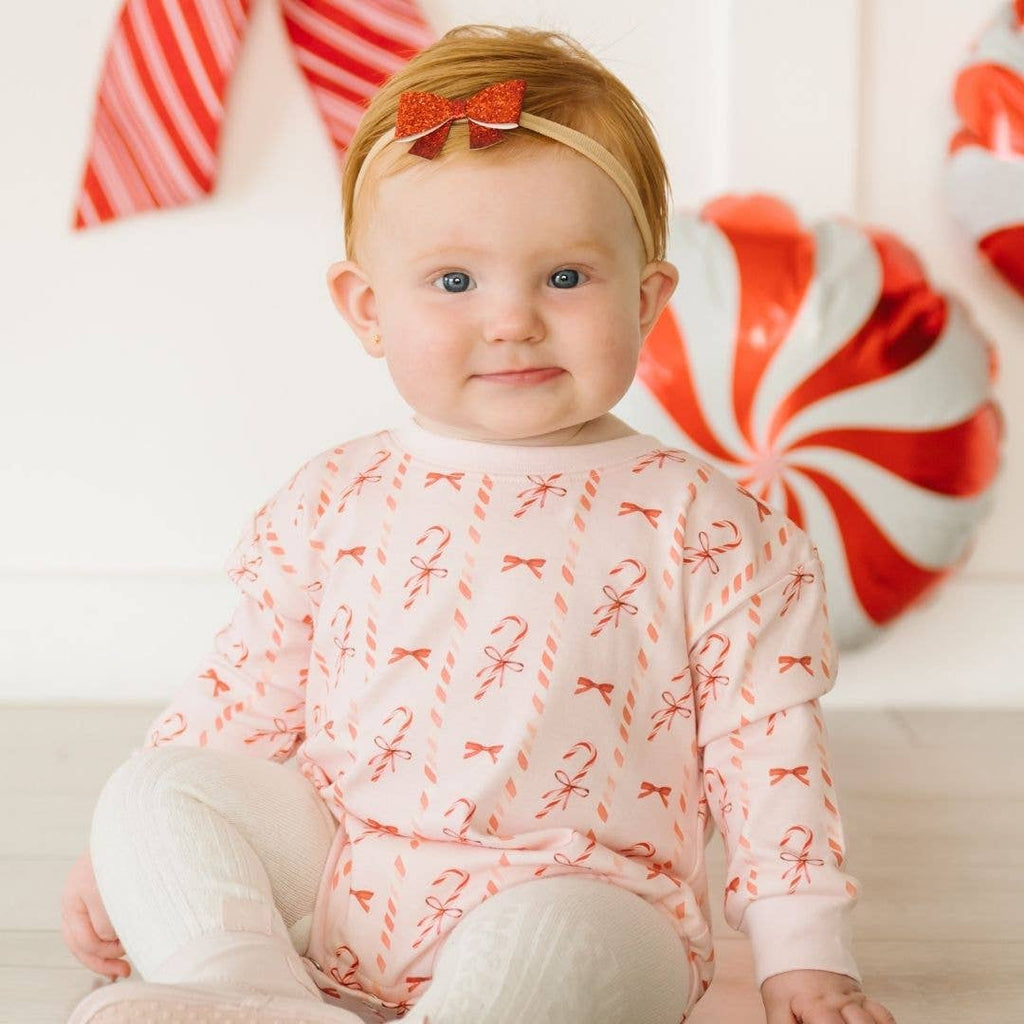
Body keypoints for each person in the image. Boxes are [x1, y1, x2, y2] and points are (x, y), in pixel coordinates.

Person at [63, 23, 898, 1024]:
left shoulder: (709, 526)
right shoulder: (334, 495)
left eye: (565, 278)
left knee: (551, 947)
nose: (511, 319)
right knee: (158, 785)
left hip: (588, 892)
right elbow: (242, 694)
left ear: (648, 298)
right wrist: (125, 856)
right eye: (454, 282)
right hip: (348, 868)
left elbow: (766, 746)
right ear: (367, 310)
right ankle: (243, 987)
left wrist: (799, 952)